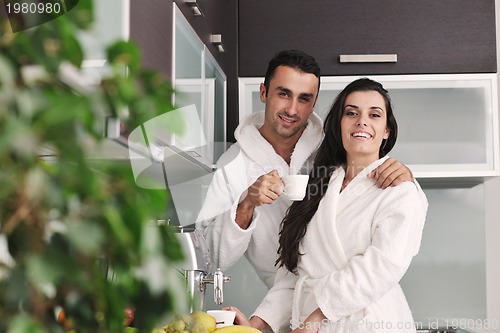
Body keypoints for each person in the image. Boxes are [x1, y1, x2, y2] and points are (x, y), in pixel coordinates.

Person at [196, 50, 420, 328]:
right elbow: (213, 258)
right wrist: (246, 205)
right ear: (264, 92)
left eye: (304, 98)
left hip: (360, 316)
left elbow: (384, 259)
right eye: (283, 94)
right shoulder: (234, 167)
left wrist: (407, 179)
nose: (292, 109)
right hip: (298, 308)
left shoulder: (332, 156)